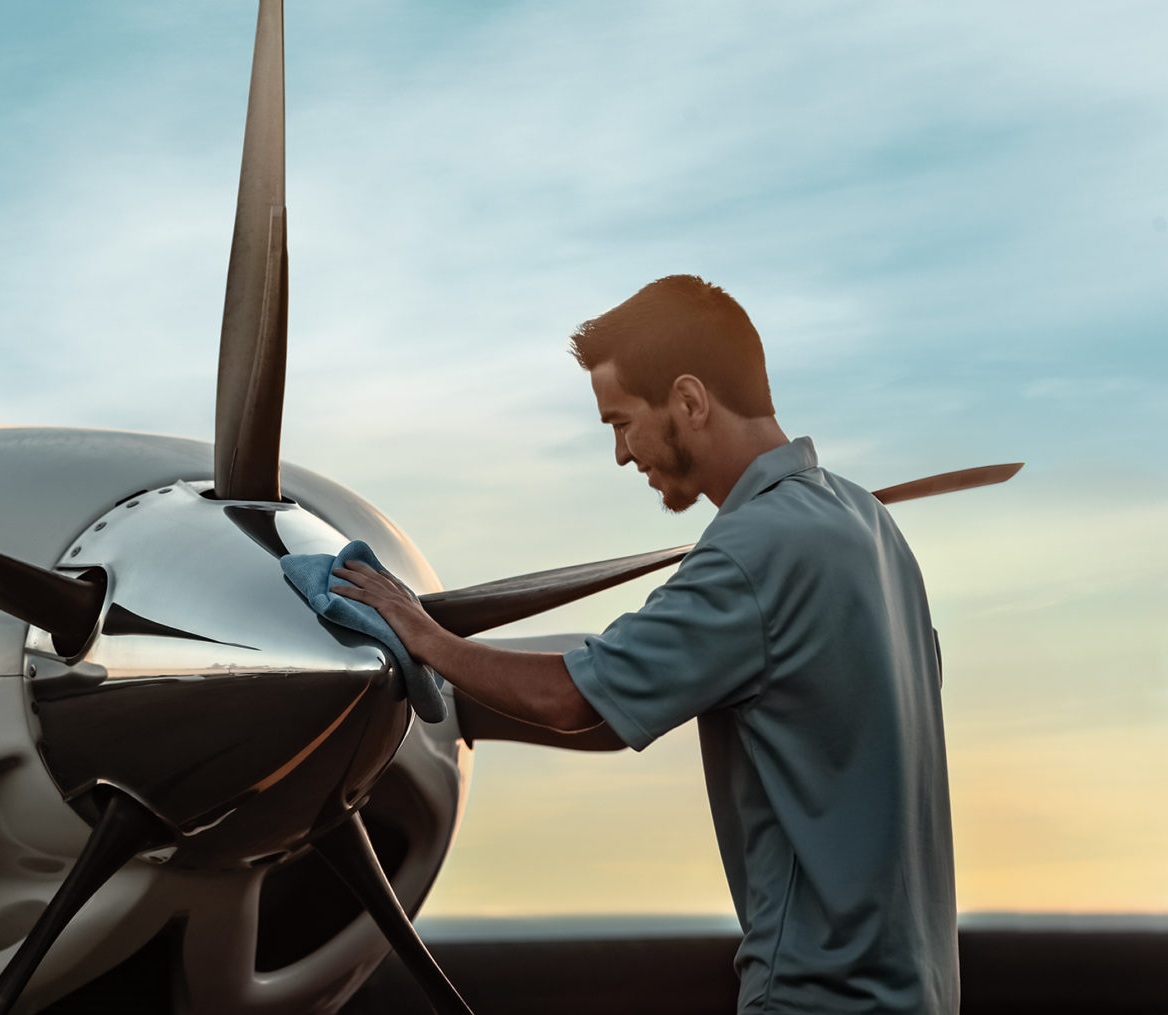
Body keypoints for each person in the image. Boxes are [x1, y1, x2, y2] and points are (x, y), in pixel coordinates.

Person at [332, 275, 959, 1014]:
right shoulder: (869, 525)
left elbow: (574, 699)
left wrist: (420, 635)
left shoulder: (753, 550)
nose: (624, 454)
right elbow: (624, 700)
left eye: (620, 422)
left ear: (689, 401)